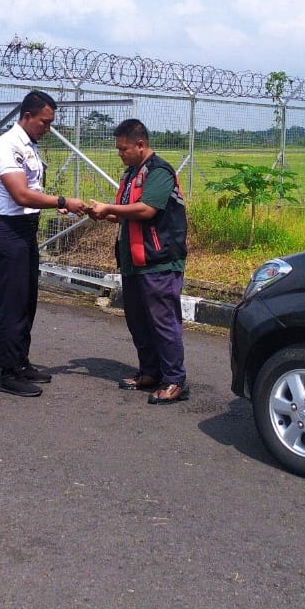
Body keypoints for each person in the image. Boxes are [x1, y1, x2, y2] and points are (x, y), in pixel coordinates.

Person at [0, 90, 86, 397]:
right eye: (44, 122)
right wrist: (61, 200)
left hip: (26, 230)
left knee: (28, 300)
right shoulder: (7, 146)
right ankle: (7, 372)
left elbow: (32, 191)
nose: (48, 128)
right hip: (10, 232)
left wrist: (50, 203)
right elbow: (20, 195)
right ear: (27, 116)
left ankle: (20, 362)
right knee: (14, 305)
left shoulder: (28, 145)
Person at [87, 119, 189, 405]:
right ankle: (150, 372)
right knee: (138, 320)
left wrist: (109, 207)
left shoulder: (159, 172)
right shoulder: (132, 174)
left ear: (140, 144)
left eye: (123, 149)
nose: (120, 153)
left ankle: (173, 380)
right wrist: (98, 211)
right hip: (133, 261)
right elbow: (123, 214)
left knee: (163, 322)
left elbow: (146, 209)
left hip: (158, 261)